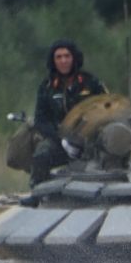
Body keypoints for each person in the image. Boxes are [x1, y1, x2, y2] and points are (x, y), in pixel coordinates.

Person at [30, 40, 107, 184]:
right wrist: (62, 139)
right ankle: (39, 194)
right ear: (53, 61)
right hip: (61, 141)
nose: (63, 61)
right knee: (41, 154)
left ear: (74, 58)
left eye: (67, 56)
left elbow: (107, 111)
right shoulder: (47, 87)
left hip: (91, 139)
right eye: (58, 57)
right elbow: (41, 120)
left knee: (115, 151)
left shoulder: (91, 82)